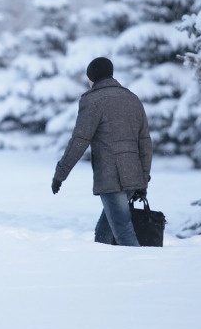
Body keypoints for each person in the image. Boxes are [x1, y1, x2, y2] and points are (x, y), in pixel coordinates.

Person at [51, 57, 152, 246]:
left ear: (92, 78)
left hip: (111, 177)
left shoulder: (92, 101)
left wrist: (60, 175)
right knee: (104, 232)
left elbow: (79, 141)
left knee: (123, 232)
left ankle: (141, 269)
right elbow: (145, 142)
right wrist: (142, 180)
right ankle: (104, 269)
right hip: (133, 176)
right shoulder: (132, 98)